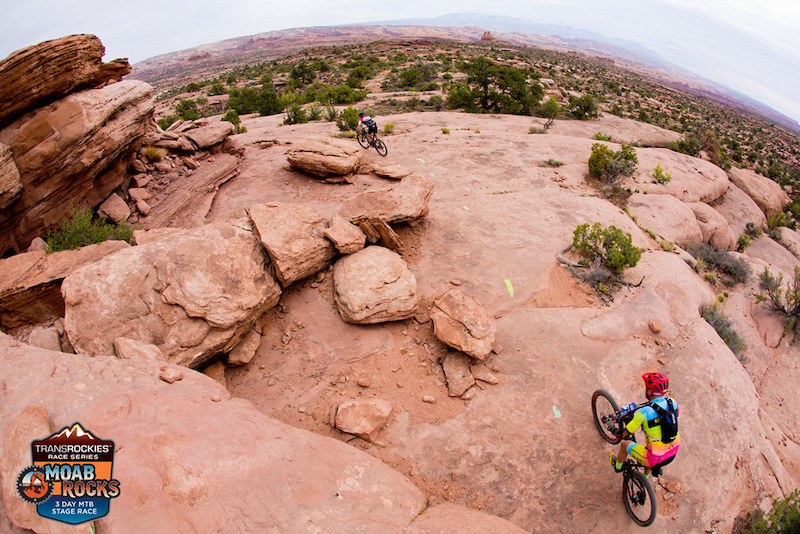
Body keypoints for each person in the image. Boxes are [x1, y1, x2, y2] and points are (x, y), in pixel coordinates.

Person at [609, 372, 680, 476]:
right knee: (651, 448)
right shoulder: (672, 403)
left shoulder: (644, 412)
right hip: (673, 452)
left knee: (625, 445)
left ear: (650, 391)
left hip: (654, 458)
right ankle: (645, 478)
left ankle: (618, 467)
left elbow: (623, 435)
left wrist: (611, 427)